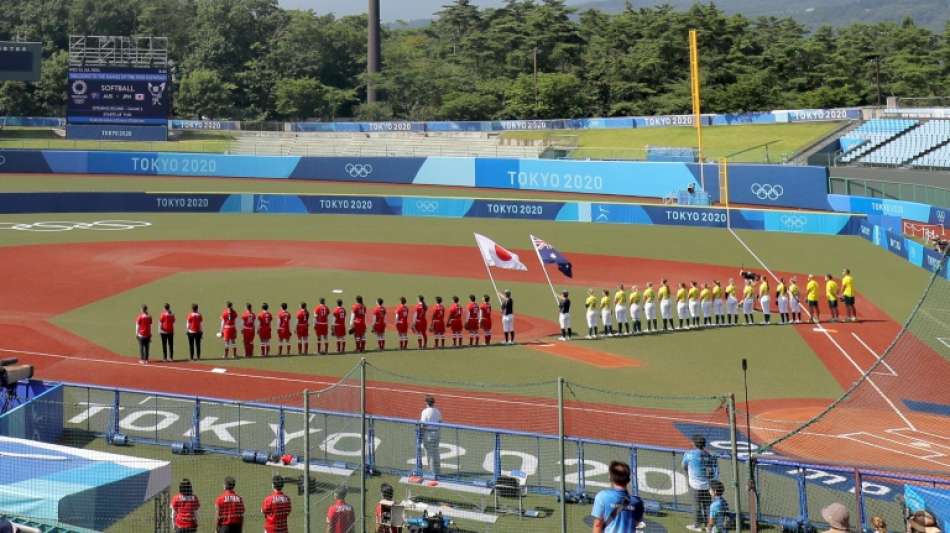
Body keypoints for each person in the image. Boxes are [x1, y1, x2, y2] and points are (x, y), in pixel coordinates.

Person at [591, 461, 644, 533]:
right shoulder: (638, 502)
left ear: (610, 477)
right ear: (628, 480)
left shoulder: (602, 497)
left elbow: (597, 525)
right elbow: (637, 524)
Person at [682, 435, 718, 532]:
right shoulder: (708, 455)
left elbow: (684, 466)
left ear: (693, 444)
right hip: (707, 485)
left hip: (694, 485)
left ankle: (697, 525)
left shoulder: (688, 454)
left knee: (696, 505)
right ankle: (708, 525)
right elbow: (712, 470)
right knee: (707, 505)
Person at [419, 395, 442, 478]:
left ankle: (432, 474)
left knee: (430, 454)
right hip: (437, 433)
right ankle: (438, 472)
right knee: (436, 453)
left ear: (426, 402)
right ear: (433, 403)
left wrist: (421, 434)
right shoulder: (437, 411)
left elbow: (423, 424)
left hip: (428, 434)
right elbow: (440, 422)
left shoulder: (425, 411)